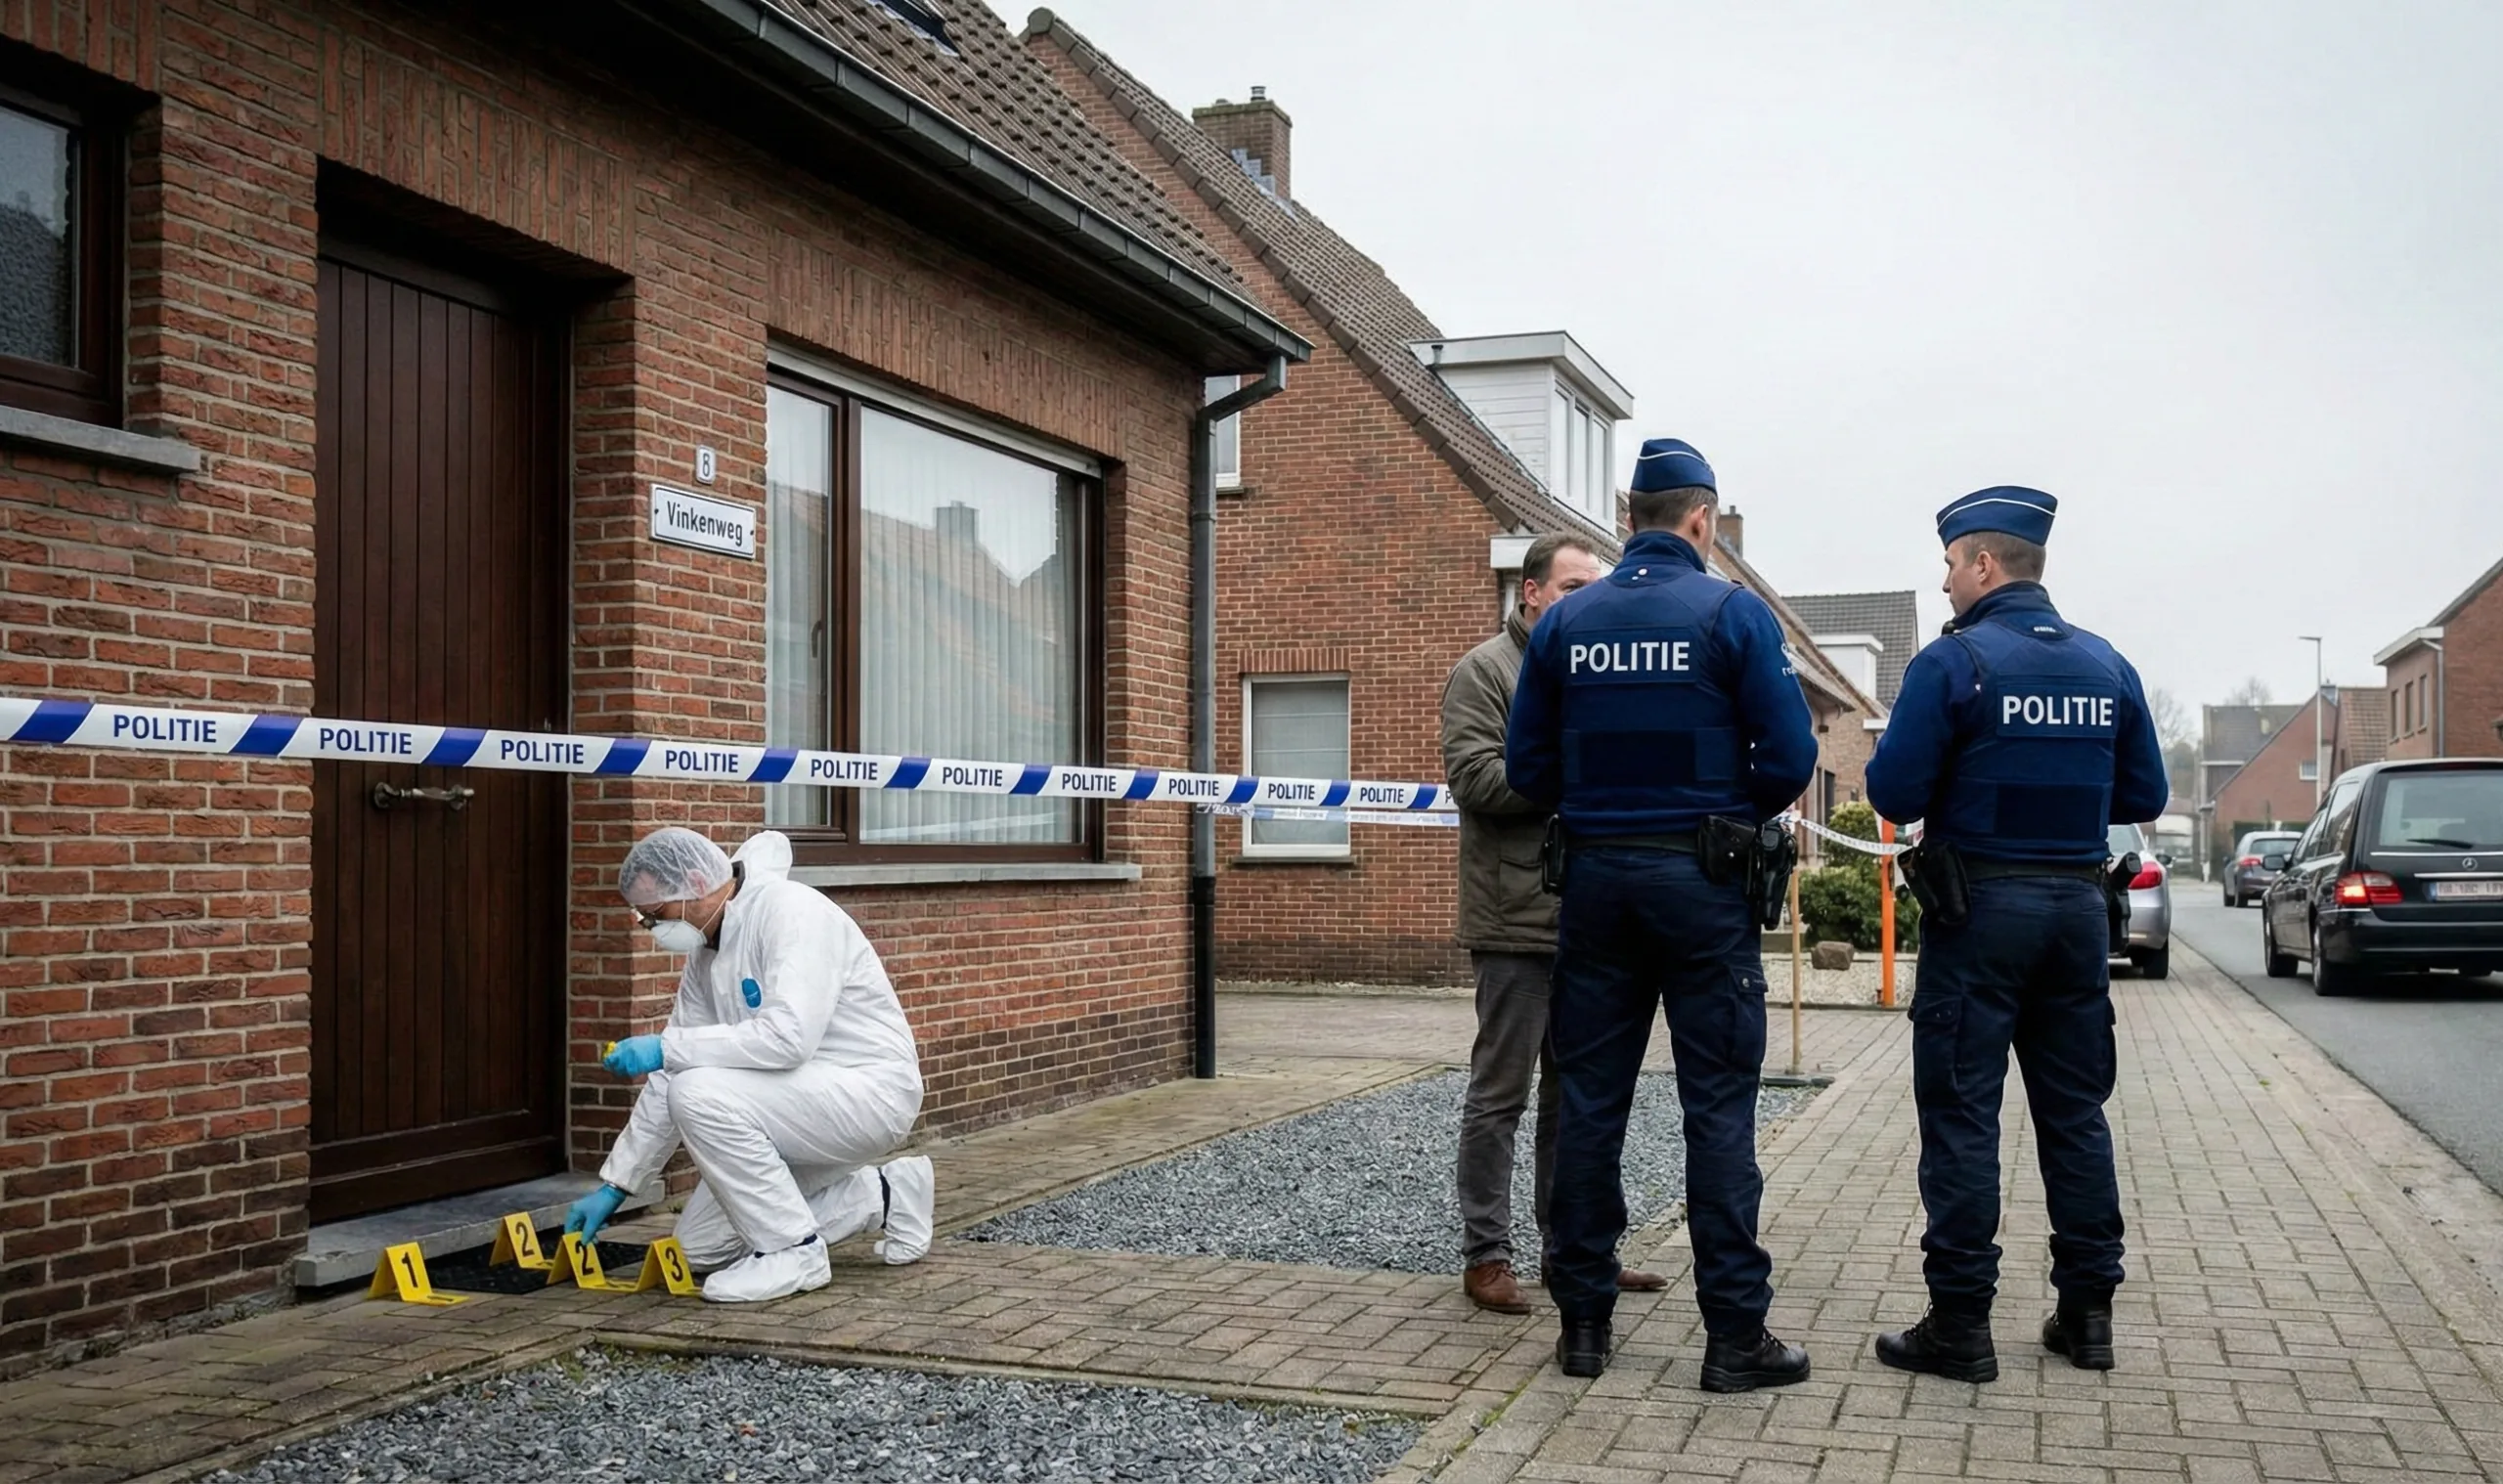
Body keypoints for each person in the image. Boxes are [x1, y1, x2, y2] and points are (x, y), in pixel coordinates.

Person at [1505, 438, 1820, 1388]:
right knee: (1717, 1108)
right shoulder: (1732, 613)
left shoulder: (1567, 622)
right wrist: (1719, 814)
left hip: (1596, 887)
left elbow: (1528, 768)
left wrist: (1606, 812)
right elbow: (1790, 756)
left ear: (1626, 515)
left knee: (1590, 1104)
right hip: (1704, 889)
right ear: (1702, 520)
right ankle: (1734, 1339)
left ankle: (1583, 1329)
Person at [1865, 487, 2168, 1381]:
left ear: (1985, 564)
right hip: (2076, 914)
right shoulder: (2107, 664)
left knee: (1963, 1116)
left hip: (1979, 914)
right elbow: (2143, 795)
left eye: (1951, 565)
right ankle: (2088, 1316)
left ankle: (1960, 1326)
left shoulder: (1952, 663)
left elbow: (1893, 792)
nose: (1946, 582)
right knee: (2075, 1115)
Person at [565, 826, 937, 1304]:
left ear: (696, 883)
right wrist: (617, 1185)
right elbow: (670, 1068)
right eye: (644, 918)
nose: (651, 928)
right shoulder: (707, 950)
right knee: (698, 1249)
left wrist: (668, 1049)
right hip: (786, 1108)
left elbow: (788, 1038)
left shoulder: (791, 913)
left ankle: (793, 1252)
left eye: (656, 914)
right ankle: (887, 1193)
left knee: (696, 1092)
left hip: (866, 1093)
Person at [1441, 533, 1666, 1315]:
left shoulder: (1590, 669)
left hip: (1589, 919)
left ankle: (1574, 1253)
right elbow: (1475, 778)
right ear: (1530, 591)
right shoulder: (1485, 671)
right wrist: (1579, 772)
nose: (1585, 600)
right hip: (1515, 920)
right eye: (1572, 587)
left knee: (1576, 1100)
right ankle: (1486, 1257)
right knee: (1500, 1095)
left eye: (1592, 588)